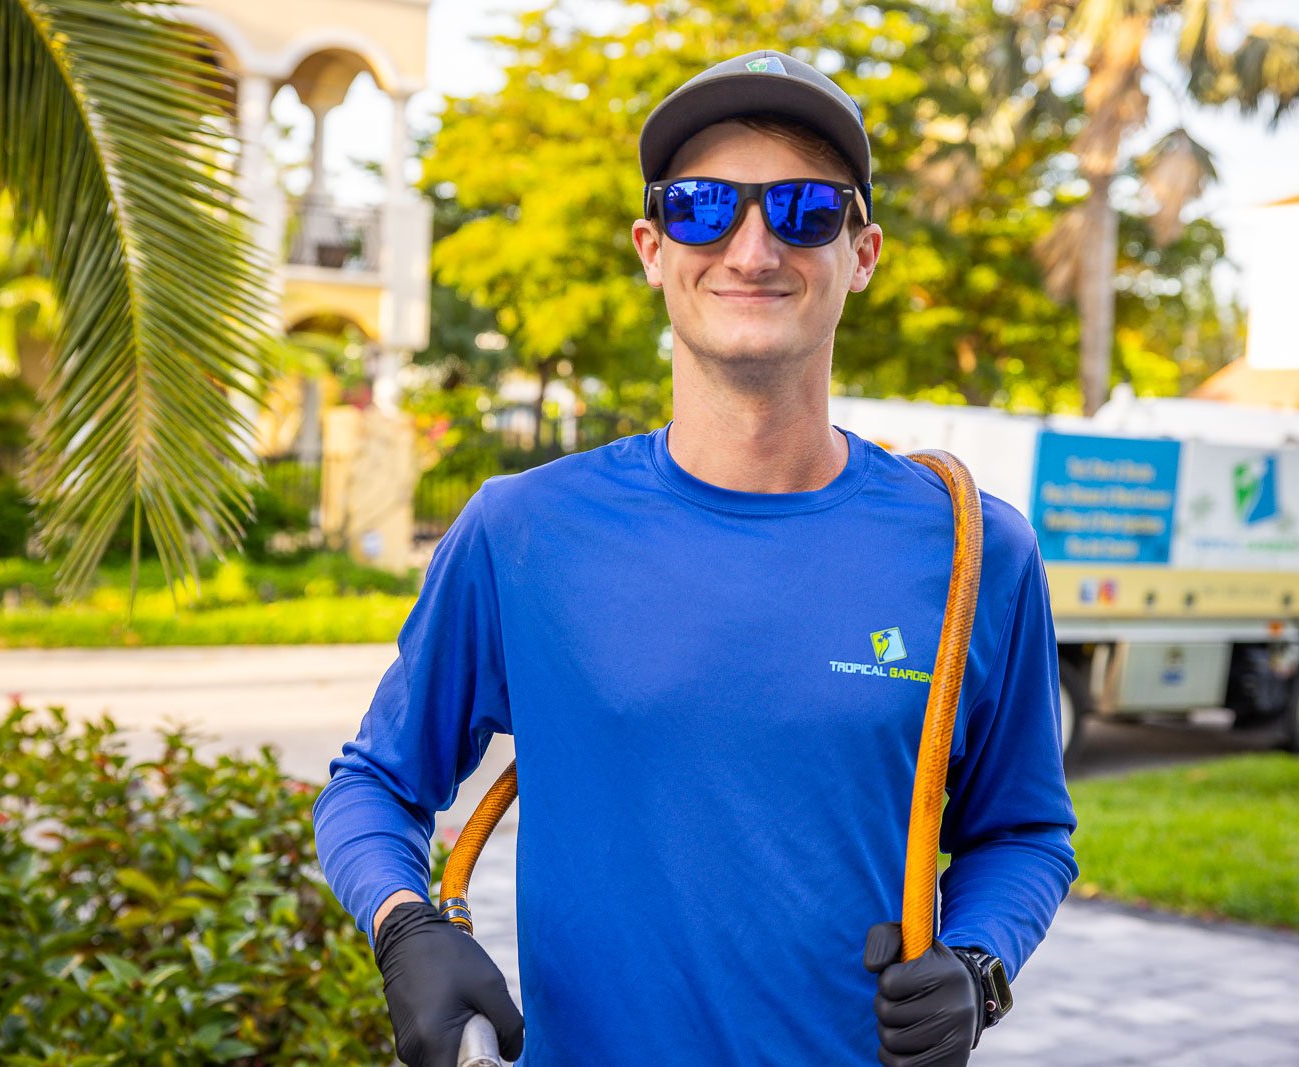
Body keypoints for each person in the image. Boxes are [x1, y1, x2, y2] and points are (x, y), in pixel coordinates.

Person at [313, 48, 1077, 1067]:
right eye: (704, 206)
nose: (752, 247)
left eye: (804, 209)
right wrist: (408, 926)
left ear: (862, 253)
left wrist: (978, 965)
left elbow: (1024, 831)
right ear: (650, 245)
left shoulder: (977, 550)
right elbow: (371, 783)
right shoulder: (522, 530)